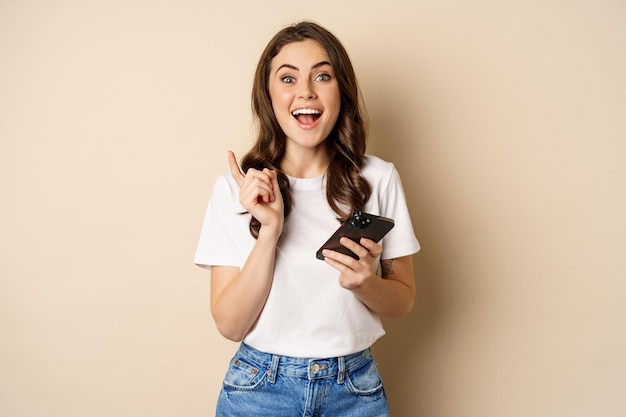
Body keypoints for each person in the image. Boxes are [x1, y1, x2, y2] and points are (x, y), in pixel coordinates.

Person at [194, 20, 420, 417]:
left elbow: (402, 301)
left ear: (340, 90)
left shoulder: (378, 178)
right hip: (259, 390)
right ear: (268, 94)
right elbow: (230, 325)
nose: (305, 91)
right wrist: (270, 232)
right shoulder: (236, 189)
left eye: (322, 75)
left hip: (354, 390)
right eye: (287, 78)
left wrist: (366, 283)